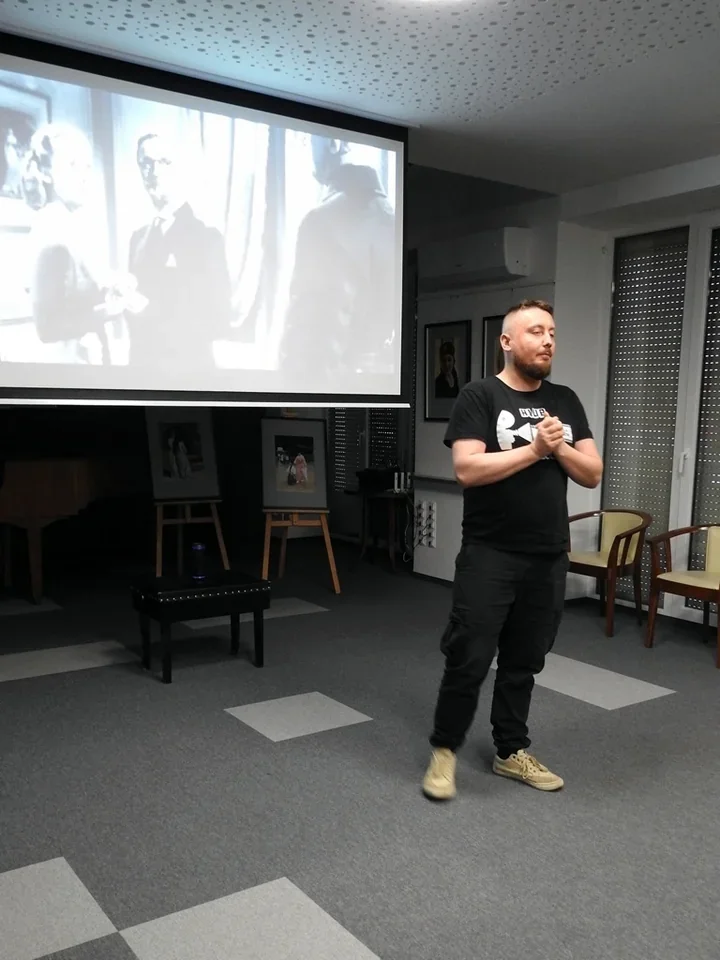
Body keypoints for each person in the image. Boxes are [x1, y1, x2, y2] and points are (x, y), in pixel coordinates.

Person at [422, 299, 603, 801]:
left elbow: (592, 473)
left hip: (548, 554)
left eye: (552, 333)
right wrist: (536, 449)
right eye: (535, 332)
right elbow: (467, 469)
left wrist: (559, 447)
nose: (547, 341)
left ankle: (510, 750)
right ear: (507, 342)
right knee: (470, 656)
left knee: (525, 659)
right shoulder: (479, 395)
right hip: (490, 553)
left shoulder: (565, 400)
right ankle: (445, 749)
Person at [278, 136, 396, 382]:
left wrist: (289, 381)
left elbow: (306, 319)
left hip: (326, 378)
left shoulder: (320, 221)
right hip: (385, 380)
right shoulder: (396, 222)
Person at [127, 132, 233, 369]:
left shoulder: (207, 238)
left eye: (164, 162)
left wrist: (150, 311)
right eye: (146, 163)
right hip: (140, 374)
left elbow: (219, 319)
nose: (154, 172)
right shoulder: (137, 239)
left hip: (190, 375)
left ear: (181, 170)